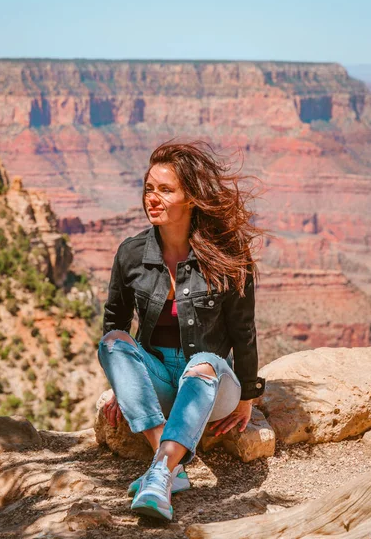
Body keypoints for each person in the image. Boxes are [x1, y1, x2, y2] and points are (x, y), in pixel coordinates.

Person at [97, 140, 266, 522]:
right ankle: (169, 471)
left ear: (190, 197)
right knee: (111, 343)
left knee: (204, 362)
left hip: (209, 385)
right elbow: (115, 323)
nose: (152, 198)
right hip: (158, 380)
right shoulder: (131, 253)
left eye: (166, 190)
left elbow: (244, 330)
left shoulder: (227, 255)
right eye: (148, 188)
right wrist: (121, 384)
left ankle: (158, 474)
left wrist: (247, 398)